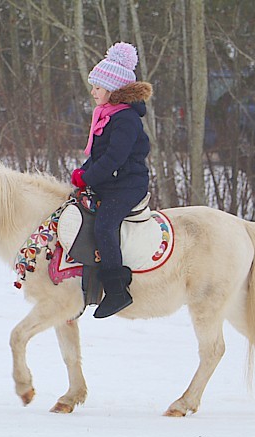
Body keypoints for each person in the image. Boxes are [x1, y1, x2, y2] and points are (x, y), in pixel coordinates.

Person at [70, 42, 153, 319]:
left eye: (97, 87)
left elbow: (115, 159)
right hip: (110, 182)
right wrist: (82, 173)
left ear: (113, 89)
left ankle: (117, 289)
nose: (93, 92)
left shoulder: (126, 119)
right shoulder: (105, 115)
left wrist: (88, 177)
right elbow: (99, 154)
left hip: (128, 184)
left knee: (105, 225)